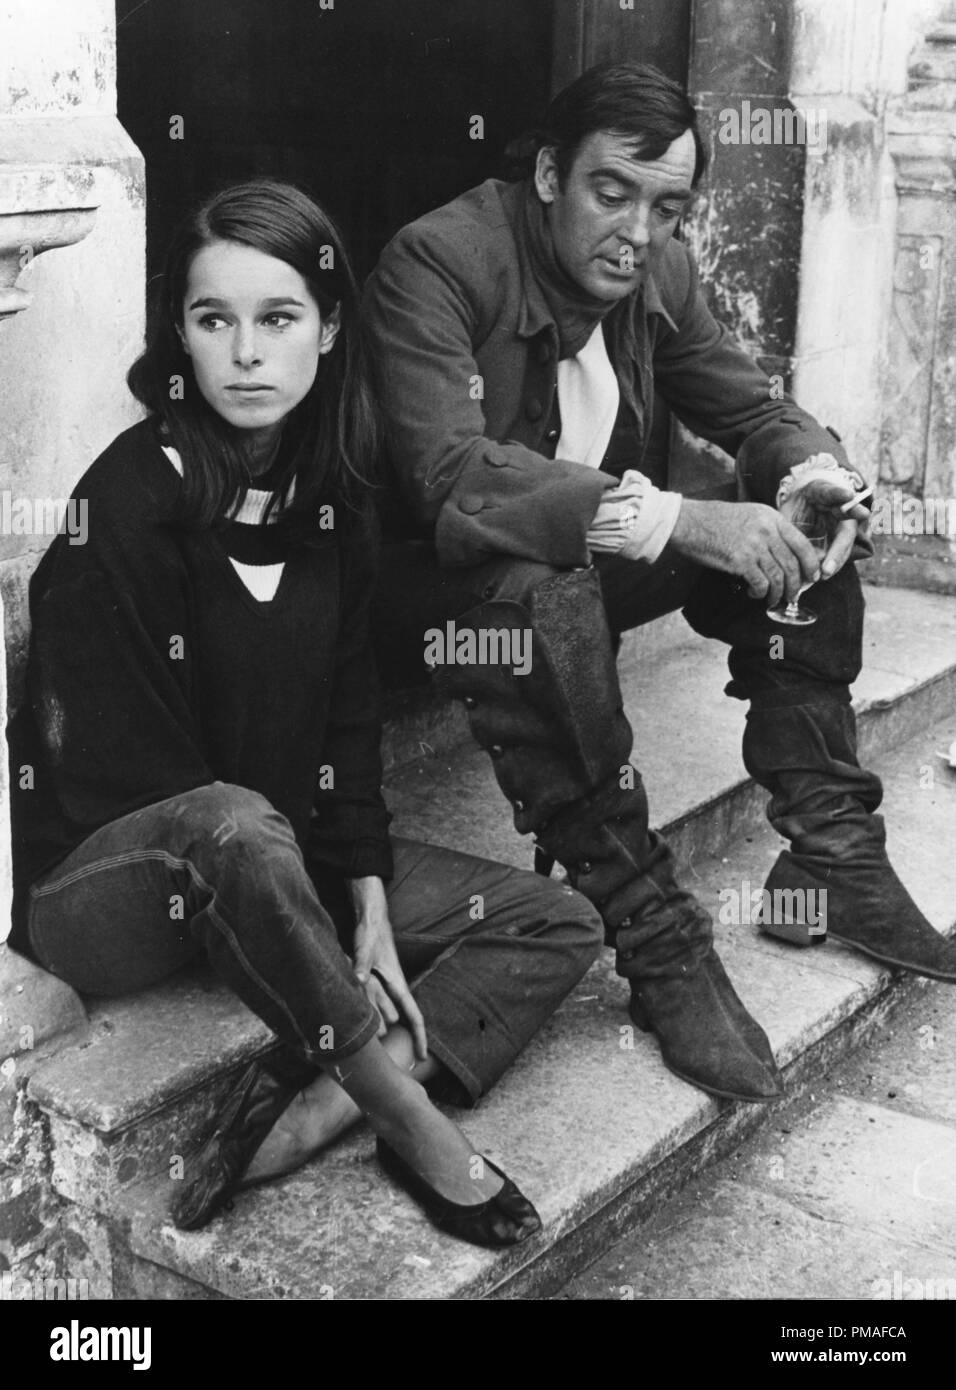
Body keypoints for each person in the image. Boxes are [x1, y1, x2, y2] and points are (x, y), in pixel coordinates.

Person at [6, 180, 604, 1245]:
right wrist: (313, 933)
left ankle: (311, 1114)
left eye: (278, 318)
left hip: (268, 857)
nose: (245, 353)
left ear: (328, 329)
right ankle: (403, 1112)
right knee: (233, 821)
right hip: (109, 891)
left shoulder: (332, 502)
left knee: (556, 920)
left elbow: (345, 722)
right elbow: (144, 795)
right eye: (213, 320)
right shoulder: (126, 510)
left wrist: (366, 901)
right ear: (181, 336)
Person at [363, 60, 956, 1108]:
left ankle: (831, 852)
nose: (638, 232)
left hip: (579, 563)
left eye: (668, 207)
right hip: (429, 595)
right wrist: (682, 518)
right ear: (550, 174)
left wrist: (814, 479)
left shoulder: (659, 270)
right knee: (536, 588)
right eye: (611, 192)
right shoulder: (439, 259)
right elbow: (449, 476)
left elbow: (753, 412)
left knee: (799, 521)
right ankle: (656, 934)